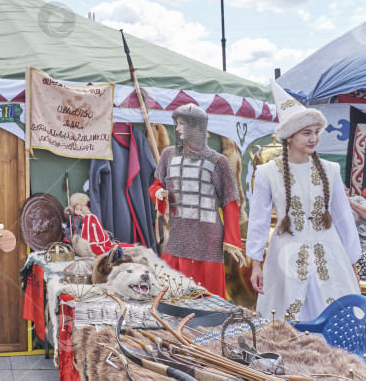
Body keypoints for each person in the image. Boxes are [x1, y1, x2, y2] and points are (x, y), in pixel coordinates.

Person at [247, 81, 361, 322]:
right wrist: (256, 263)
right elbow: (258, 220)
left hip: (329, 254)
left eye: (316, 132)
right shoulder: (268, 172)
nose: (314, 138)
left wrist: (352, 260)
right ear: (289, 136)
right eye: (306, 133)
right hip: (286, 256)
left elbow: (342, 218)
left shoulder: (329, 169)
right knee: (287, 315)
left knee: (334, 314)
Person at [148, 104, 245, 298]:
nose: (177, 129)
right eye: (177, 124)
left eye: (183, 124)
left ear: (197, 126)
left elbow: (230, 201)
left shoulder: (218, 161)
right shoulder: (168, 155)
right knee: (172, 295)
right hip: (178, 235)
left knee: (206, 297)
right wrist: (158, 194)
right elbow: (156, 185)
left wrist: (232, 241)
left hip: (207, 238)